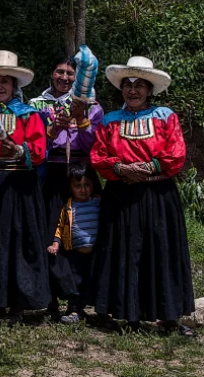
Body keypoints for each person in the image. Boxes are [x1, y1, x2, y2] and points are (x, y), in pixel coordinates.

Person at [91, 56, 194, 335]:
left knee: (160, 250)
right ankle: (127, 314)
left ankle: (169, 316)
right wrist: (121, 167)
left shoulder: (165, 117)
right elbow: (99, 155)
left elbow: (176, 153)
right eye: (127, 85)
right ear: (121, 89)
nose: (133, 90)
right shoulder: (110, 121)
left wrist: (150, 167)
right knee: (122, 250)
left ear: (149, 89)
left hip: (158, 195)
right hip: (121, 194)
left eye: (139, 85)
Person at [0, 50, 50, 324]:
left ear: (14, 85)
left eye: (5, 81)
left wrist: (18, 150)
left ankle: (18, 303)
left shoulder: (29, 115)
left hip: (20, 184)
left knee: (18, 240)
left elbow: (39, 150)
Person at [28, 56, 103, 318]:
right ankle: (49, 299)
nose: (64, 77)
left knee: (83, 233)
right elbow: (34, 141)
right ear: (51, 73)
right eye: (60, 72)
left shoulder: (91, 104)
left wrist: (81, 119)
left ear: (78, 77)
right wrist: (52, 129)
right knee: (51, 234)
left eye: (70, 74)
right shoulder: (36, 104)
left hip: (82, 173)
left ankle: (79, 301)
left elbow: (95, 139)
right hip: (53, 172)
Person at [47, 163, 100, 324]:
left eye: (87, 185)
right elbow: (60, 227)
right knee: (75, 283)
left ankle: (99, 312)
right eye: (78, 186)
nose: (83, 190)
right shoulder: (68, 207)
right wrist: (56, 243)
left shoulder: (98, 203)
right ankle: (75, 310)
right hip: (75, 253)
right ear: (70, 188)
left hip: (95, 253)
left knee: (93, 282)